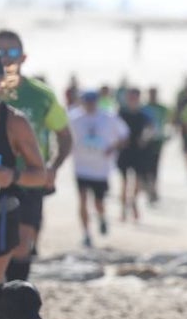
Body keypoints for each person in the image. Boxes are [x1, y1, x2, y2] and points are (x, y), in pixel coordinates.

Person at [0, 30, 73, 283]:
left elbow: (65, 136)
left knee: (22, 245)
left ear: (23, 57)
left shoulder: (41, 95)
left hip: (29, 178)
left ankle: (16, 302)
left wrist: (53, 168)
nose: (5, 58)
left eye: (12, 52)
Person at [0, 49, 47, 284]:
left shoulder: (15, 123)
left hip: (1, 213)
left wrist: (13, 175)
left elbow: (39, 175)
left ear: (4, 80)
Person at [68, 90, 129, 247]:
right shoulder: (73, 117)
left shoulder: (108, 117)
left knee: (98, 202)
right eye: (86, 101)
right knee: (82, 200)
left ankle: (101, 217)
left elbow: (124, 135)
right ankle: (86, 234)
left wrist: (112, 148)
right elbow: (64, 136)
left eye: (92, 101)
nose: (89, 104)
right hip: (81, 167)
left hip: (101, 169)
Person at [116, 87, 151, 222]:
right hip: (124, 151)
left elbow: (150, 128)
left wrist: (145, 137)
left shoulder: (143, 113)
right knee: (124, 182)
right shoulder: (121, 113)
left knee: (137, 183)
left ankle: (133, 202)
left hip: (139, 151)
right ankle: (123, 210)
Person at [141, 86, 171, 204]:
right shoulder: (143, 108)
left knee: (155, 165)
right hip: (145, 140)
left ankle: (153, 189)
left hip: (158, 140)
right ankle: (146, 185)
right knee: (144, 165)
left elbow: (168, 121)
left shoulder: (162, 108)